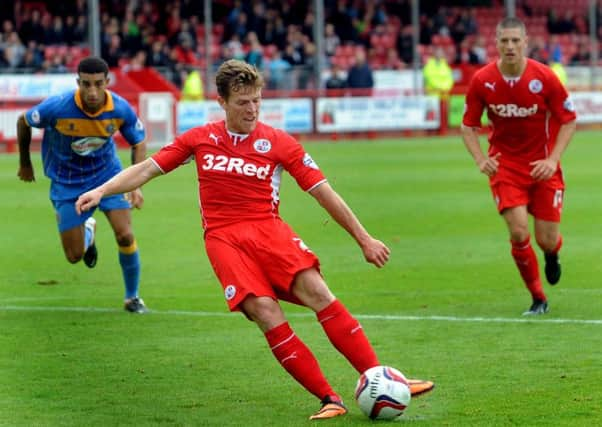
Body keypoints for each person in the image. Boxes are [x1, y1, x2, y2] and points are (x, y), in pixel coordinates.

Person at [75, 59, 434, 419]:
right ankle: (329, 398)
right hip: (224, 241)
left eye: (257, 101)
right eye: (243, 102)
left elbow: (324, 192)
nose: (252, 109)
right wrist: (102, 190)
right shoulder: (200, 138)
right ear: (223, 102)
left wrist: (364, 239)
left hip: (269, 231)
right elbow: (147, 169)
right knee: (264, 311)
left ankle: (381, 378)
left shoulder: (279, 143)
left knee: (319, 292)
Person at [461, 17, 577, 316]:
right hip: (506, 168)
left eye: (515, 40)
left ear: (525, 43)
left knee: (546, 239)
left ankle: (552, 254)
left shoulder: (545, 77)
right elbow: (468, 126)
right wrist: (480, 159)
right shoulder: (482, 80)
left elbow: (568, 120)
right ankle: (538, 298)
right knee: (518, 231)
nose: (510, 46)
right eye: (504, 41)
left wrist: (552, 160)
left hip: (542, 167)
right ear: (496, 43)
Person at [17, 56, 148, 313]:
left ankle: (132, 297)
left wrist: (134, 185)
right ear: (78, 82)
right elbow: (24, 120)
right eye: (86, 84)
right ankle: (88, 229)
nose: (92, 91)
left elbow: (139, 142)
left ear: (107, 82)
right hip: (67, 183)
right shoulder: (58, 107)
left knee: (126, 234)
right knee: (74, 256)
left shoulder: (119, 109)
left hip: (107, 177)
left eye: (98, 84)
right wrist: (25, 163)